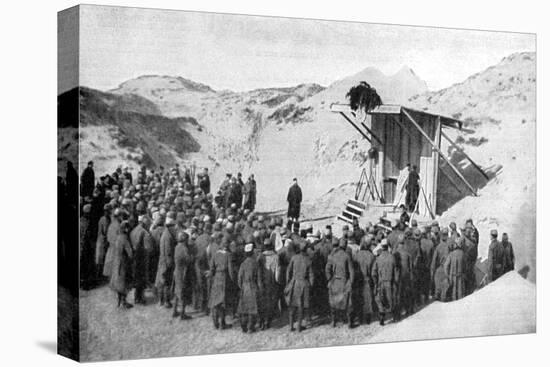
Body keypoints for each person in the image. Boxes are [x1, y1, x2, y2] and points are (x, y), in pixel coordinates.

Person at [285, 241, 314, 332]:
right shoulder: (308, 260)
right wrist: (311, 285)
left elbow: (288, 271)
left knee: (292, 305)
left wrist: (288, 282)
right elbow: (311, 275)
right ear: (306, 249)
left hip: (294, 282)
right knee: (301, 305)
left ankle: (290, 326)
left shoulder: (294, 258)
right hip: (304, 283)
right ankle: (298, 327)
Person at [325, 238, 354, 328]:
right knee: (348, 302)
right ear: (345, 245)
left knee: (333, 302)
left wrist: (329, 279)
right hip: (344, 281)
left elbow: (327, 269)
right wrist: (351, 282)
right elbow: (351, 271)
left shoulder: (333, 256)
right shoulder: (347, 256)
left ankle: (333, 321)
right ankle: (349, 322)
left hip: (335, 281)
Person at [208, 237, 235, 329]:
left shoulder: (215, 254)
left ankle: (215, 322)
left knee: (215, 301)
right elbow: (230, 270)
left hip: (216, 278)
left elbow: (211, 269)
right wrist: (233, 280)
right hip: (224, 278)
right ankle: (222, 323)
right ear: (227, 245)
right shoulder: (228, 255)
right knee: (223, 302)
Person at [372, 239, 398, 325]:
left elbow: (373, 273)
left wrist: (376, 282)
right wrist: (396, 281)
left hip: (381, 281)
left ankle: (382, 316)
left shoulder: (378, 258)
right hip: (390, 281)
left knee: (380, 299)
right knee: (391, 298)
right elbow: (396, 271)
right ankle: (394, 316)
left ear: (382, 247)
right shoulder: (392, 257)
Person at [237, 243, 262, 333]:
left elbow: (239, 278)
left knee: (244, 307)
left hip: (244, 287)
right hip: (253, 286)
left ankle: (244, 326)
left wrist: (242, 287)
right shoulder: (255, 263)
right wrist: (260, 289)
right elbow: (259, 279)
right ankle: (250, 327)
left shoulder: (243, 264)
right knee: (252, 308)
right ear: (252, 253)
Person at [109, 220, 134, 308]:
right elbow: (130, 253)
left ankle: (119, 301)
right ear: (126, 229)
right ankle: (124, 301)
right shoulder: (124, 238)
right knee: (123, 282)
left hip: (116, 262)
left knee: (118, 282)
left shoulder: (118, 237)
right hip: (123, 263)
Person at [155, 214, 177, 308]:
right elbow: (168, 252)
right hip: (166, 262)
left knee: (161, 282)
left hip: (163, 261)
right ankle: (166, 301)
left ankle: (161, 301)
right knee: (166, 283)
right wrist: (170, 264)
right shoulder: (168, 236)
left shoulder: (166, 234)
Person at [129, 215, 152, 305]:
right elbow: (148, 248)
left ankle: (136, 297)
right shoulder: (144, 232)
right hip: (142, 258)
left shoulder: (134, 230)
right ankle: (140, 298)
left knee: (137, 278)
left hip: (134, 257)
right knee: (141, 279)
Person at [354, 236, 376, 325]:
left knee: (359, 298)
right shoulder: (371, 256)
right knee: (368, 299)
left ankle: (359, 318)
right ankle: (368, 318)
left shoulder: (356, 255)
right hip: (367, 279)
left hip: (358, 279)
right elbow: (373, 270)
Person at [260, 238, 281, 330]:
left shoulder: (260, 257)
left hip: (262, 281)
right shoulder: (276, 257)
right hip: (272, 282)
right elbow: (277, 271)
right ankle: (268, 321)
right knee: (271, 301)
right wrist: (277, 281)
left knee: (263, 301)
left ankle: (262, 320)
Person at [173, 232, 194, 320]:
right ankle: (182, 313)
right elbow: (189, 259)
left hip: (176, 271)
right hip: (183, 273)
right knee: (183, 293)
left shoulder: (177, 246)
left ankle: (174, 311)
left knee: (176, 292)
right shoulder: (184, 248)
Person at [393, 236, 414, 319]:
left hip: (398, 277)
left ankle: (397, 314)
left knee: (398, 294)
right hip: (406, 276)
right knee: (407, 293)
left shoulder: (395, 253)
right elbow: (411, 268)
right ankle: (408, 310)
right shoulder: (407, 253)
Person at [431, 228, 451, 301]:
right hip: (449, 268)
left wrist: (432, 270)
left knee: (438, 285)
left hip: (441, 267)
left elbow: (434, 260)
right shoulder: (450, 245)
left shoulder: (438, 247)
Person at [95, 204, 111, 282]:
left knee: (104, 258)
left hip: (105, 240)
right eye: (106, 211)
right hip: (101, 240)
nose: (107, 212)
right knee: (99, 258)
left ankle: (102, 275)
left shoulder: (109, 219)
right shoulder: (103, 219)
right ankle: (98, 276)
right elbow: (103, 231)